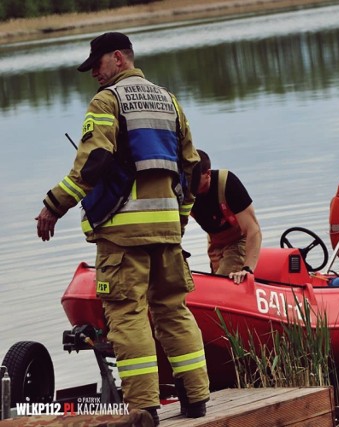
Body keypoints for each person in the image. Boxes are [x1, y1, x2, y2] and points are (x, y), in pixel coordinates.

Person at [35, 32, 209, 425]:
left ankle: (143, 409)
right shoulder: (169, 100)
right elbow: (193, 167)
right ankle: (197, 399)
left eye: (98, 63)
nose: (94, 72)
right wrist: (180, 216)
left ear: (119, 58)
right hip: (167, 231)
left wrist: (53, 206)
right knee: (174, 311)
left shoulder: (107, 101)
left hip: (122, 233)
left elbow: (94, 162)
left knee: (127, 315)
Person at [190, 149, 262, 283]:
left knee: (221, 282)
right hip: (214, 242)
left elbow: (253, 229)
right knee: (214, 279)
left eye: (195, 181)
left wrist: (247, 269)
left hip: (238, 241)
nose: (191, 186)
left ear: (208, 174)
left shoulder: (227, 183)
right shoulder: (185, 190)